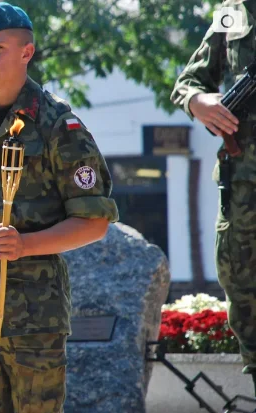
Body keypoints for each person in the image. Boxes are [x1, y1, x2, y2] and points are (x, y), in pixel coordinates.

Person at [0, 2, 119, 412]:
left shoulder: (57, 126)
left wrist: (26, 245)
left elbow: (94, 220)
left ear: (26, 52)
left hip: (33, 313)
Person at [170, 0, 256, 395]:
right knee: (241, 283)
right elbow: (189, 81)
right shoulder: (234, 11)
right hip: (243, 188)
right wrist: (199, 102)